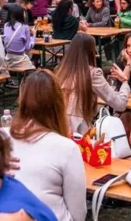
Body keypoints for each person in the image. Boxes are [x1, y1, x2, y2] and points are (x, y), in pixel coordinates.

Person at [7, 70, 87, 221]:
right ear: (59, 102)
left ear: (21, 99)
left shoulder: (0, 137)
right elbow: (78, 215)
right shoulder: (67, 148)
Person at [56, 33, 130, 134]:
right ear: (91, 51)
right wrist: (125, 83)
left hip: (57, 127)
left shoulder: (60, 71)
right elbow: (119, 104)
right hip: (79, 131)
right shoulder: (92, 73)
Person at [2, 4, 35, 71]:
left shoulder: (6, 25)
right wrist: (33, 36)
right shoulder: (25, 26)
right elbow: (28, 47)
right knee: (33, 70)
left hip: (8, 58)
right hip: (20, 59)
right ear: (21, 14)